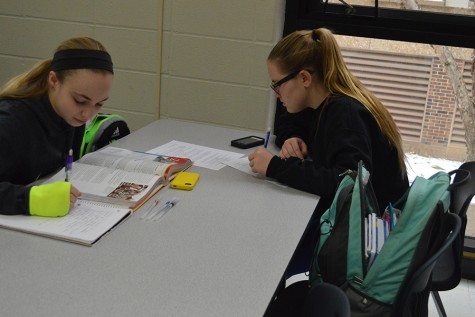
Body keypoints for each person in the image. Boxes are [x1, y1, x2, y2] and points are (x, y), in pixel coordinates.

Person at [249, 28, 409, 214]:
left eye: (277, 84)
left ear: (304, 78)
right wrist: (294, 137)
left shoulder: (345, 113)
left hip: (373, 228)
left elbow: (348, 184)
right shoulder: (317, 102)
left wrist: (275, 166)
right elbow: (288, 122)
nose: (276, 94)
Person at [0, 37, 114, 217]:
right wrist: (31, 199)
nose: (88, 114)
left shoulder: (69, 114)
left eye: (99, 104)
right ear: (53, 80)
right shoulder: (11, 121)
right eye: (80, 100)